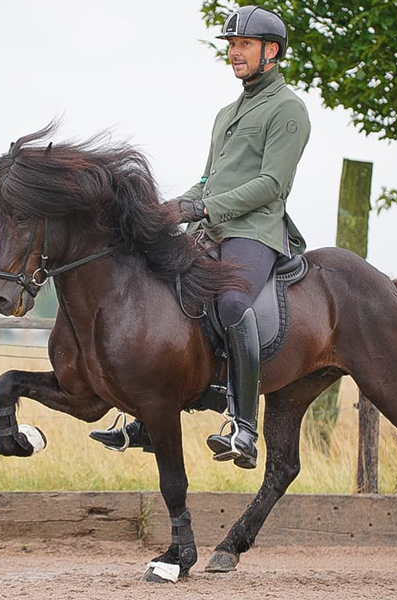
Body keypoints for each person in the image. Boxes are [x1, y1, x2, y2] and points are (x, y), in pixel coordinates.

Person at [90, 5, 310, 469]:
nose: (233, 53)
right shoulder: (226, 112)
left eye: (243, 45)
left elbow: (273, 184)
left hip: (255, 231)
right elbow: (209, 179)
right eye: (231, 45)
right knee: (157, 292)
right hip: (210, 227)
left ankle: (245, 428)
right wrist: (169, 209)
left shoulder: (289, 109)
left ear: (271, 51)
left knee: (232, 305)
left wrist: (203, 207)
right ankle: (147, 420)